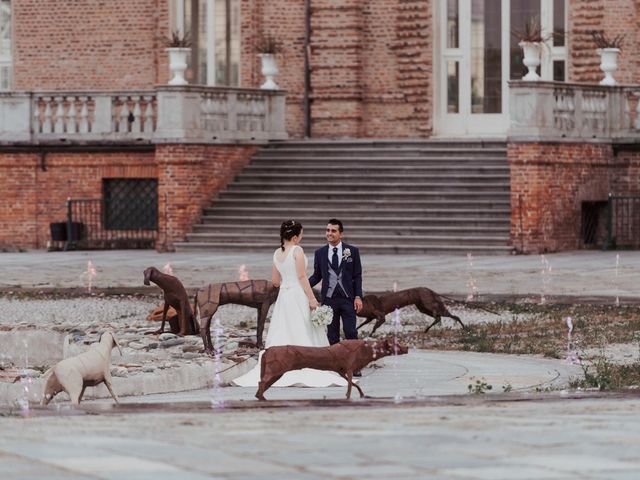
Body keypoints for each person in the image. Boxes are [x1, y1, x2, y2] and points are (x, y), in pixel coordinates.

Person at [232, 220, 347, 388]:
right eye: (301, 235)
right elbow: (301, 277)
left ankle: (279, 365)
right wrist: (312, 299)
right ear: (295, 237)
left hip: (284, 297)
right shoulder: (297, 250)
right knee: (303, 328)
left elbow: (275, 281)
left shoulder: (277, 253)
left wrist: (286, 279)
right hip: (297, 294)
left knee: (283, 328)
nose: (301, 237)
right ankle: (309, 364)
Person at [308, 219, 363, 376]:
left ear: (341, 233)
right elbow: (317, 276)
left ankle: (355, 365)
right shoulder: (320, 253)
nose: (329, 233)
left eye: (333, 231)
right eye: (327, 230)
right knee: (332, 334)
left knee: (351, 332)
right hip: (329, 300)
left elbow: (357, 276)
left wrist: (358, 296)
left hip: (347, 298)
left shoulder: (352, 251)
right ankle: (337, 366)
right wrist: (302, 285)